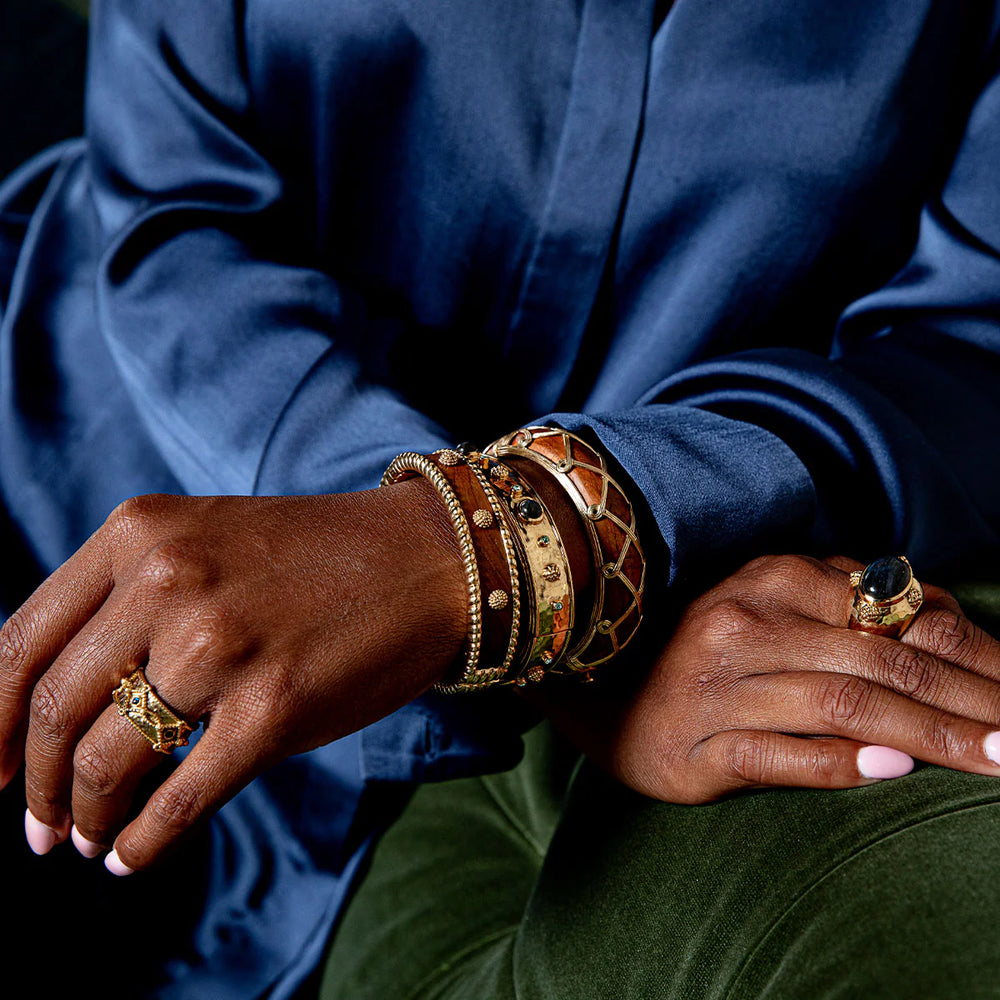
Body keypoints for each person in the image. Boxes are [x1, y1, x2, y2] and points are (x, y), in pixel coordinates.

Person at [1, 0, 999, 996]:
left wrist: (534, 550)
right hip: (72, 489)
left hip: (642, 618)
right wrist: (493, 563)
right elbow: (176, 212)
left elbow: (970, 342)